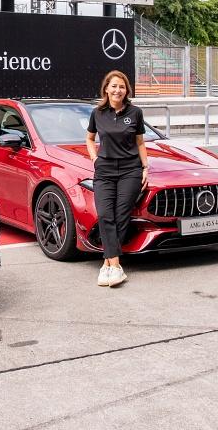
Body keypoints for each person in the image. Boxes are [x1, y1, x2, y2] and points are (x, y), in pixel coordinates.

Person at [86, 70, 148, 287]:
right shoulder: (97, 113)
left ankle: (108, 265)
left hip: (130, 170)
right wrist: (94, 158)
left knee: (121, 216)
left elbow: (140, 143)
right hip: (104, 170)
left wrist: (145, 168)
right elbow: (89, 138)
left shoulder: (136, 112)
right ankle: (115, 265)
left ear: (126, 90)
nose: (118, 90)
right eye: (114, 86)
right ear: (106, 89)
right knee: (105, 214)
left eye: (122, 87)